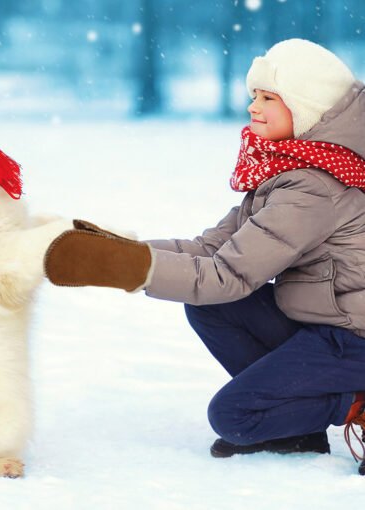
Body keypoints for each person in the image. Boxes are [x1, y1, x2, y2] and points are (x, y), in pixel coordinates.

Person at [44, 39, 365, 474]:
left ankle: (355, 403)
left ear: (307, 111)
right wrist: (118, 247)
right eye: (254, 95)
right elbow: (211, 249)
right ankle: (293, 431)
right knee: (213, 309)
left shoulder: (314, 188)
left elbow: (226, 275)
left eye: (269, 98)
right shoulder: (293, 170)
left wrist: (127, 268)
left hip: (353, 340)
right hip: (323, 324)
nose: (253, 106)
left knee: (235, 416)